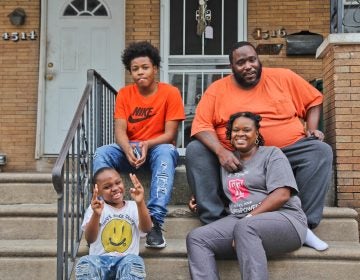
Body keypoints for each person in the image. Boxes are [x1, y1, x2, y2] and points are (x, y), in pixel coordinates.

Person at [185, 41, 333, 231]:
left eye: (252, 60)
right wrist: (221, 152)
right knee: (196, 149)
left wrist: (312, 128)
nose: (248, 66)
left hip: (285, 152)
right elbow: (201, 126)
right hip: (235, 156)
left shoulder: (284, 77)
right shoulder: (217, 89)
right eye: (241, 63)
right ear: (232, 67)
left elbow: (313, 100)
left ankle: (301, 223)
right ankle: (215, 223)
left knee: (320, 151)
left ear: (258, 60)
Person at [187, 112, 316, 280]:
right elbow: (229, 191)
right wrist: (197, 197)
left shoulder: (271, 154)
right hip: (240, 220)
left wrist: (249, 218)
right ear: (230, 135)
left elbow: (282, 194)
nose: (240, 134)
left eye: (246, 130)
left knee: (245, 228)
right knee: (197, 238)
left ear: (256, 134)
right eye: (235, 130)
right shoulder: (227, 162)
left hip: (285, 219)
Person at [93, 41, 185, 248]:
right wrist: (127, 149)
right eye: (135, 69)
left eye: (145, 67)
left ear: (155, 68)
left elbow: (170, 134)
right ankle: (102, 211)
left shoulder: (170, 93)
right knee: (102, 153)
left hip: (158, 148)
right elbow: (120, 130)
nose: (140, 72)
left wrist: (146, 144)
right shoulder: (125, 93)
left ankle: (154, 222)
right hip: (130, 149)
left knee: (167, 151)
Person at [75, 167, 152, 280]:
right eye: (107, 187)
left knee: (134, 261)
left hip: (125, 260)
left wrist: (140, 203)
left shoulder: (134, 207)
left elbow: (147, 228)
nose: (115, 188)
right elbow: (90, 239)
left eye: (118, 182)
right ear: (97, 190)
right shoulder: (96, 208)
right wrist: (96, 215)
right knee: (85, 261)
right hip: (100, 260)